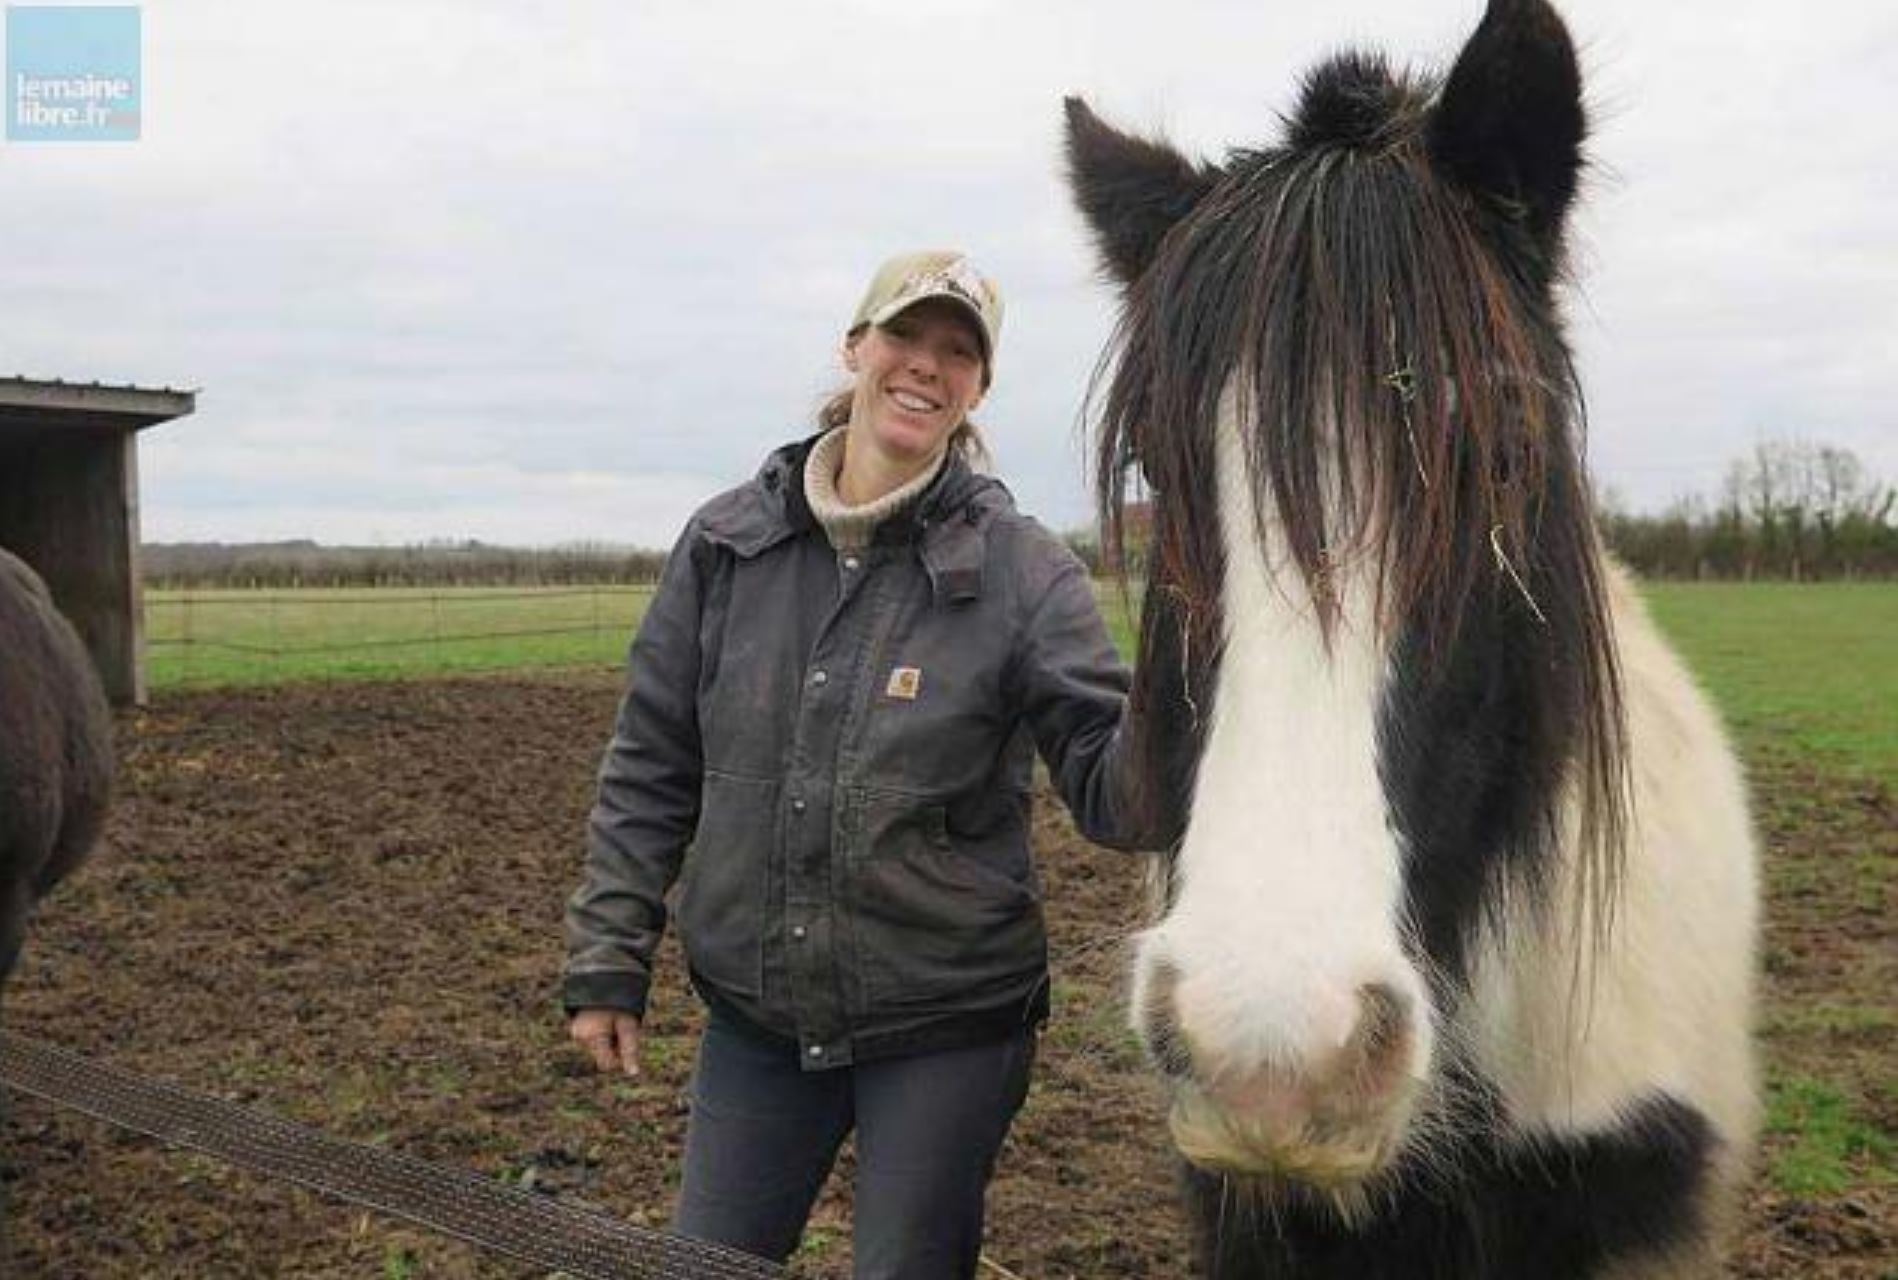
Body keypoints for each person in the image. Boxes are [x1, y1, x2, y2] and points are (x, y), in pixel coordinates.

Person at [562, 249, 1161, 1280]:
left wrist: (1189, 688)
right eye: (906, 338)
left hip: (945, 1023)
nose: (926, 367)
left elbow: (1113, 795)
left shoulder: (1021, 569)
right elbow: (651, 761)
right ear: (856, 347)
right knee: (704, 1262)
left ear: (978, 387)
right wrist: (608, 955)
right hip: (757, 1014)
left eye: (958, 353)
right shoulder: (725, 544)